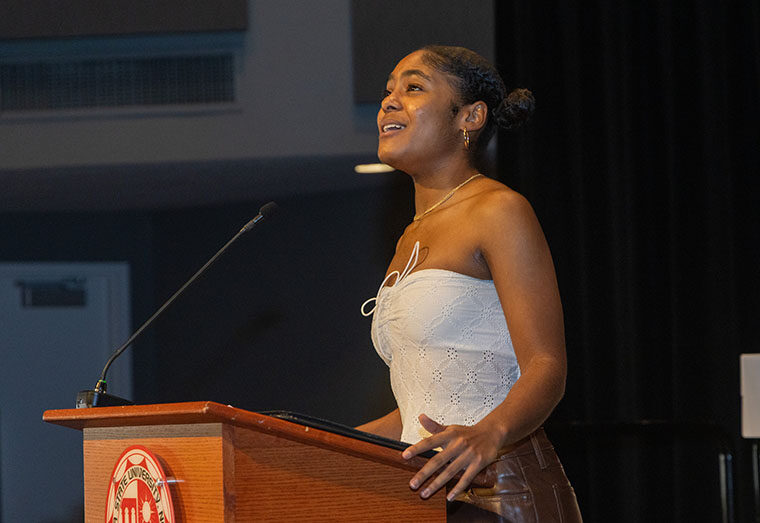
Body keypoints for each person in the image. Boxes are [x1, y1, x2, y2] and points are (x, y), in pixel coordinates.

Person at [358, 45, 582, 521]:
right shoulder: (408, 237)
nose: (389, 101)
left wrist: (489, 432)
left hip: (501, 494)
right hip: (426, 499)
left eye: (413, 87)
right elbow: (419, 403)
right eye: (388, 91)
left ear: (471, 116)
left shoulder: (498, 210)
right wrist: (317, 444)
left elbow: (547, 365)